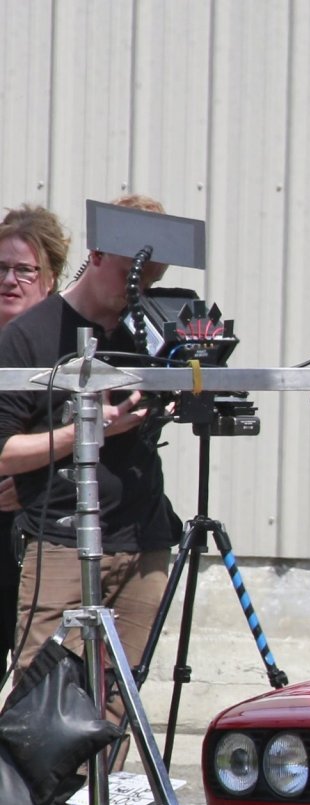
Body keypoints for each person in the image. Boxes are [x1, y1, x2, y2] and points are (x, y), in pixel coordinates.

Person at [0, 194, 179, 703]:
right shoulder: (30, 336)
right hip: (61, 540)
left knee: (119, 704)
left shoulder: (145, 331)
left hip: (142, 540)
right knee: (42, 705)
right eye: (131, 276)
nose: (139, 292)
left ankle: (109, 764)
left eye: (151, 282)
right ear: (97, 255)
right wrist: (86, 431)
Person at [0, 206, 71, 676]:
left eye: (24, 270)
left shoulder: (70, 349)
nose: (9, 280)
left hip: (47, 541)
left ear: (50, 279)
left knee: (39, 684)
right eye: (1, 268)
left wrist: (31, 478)